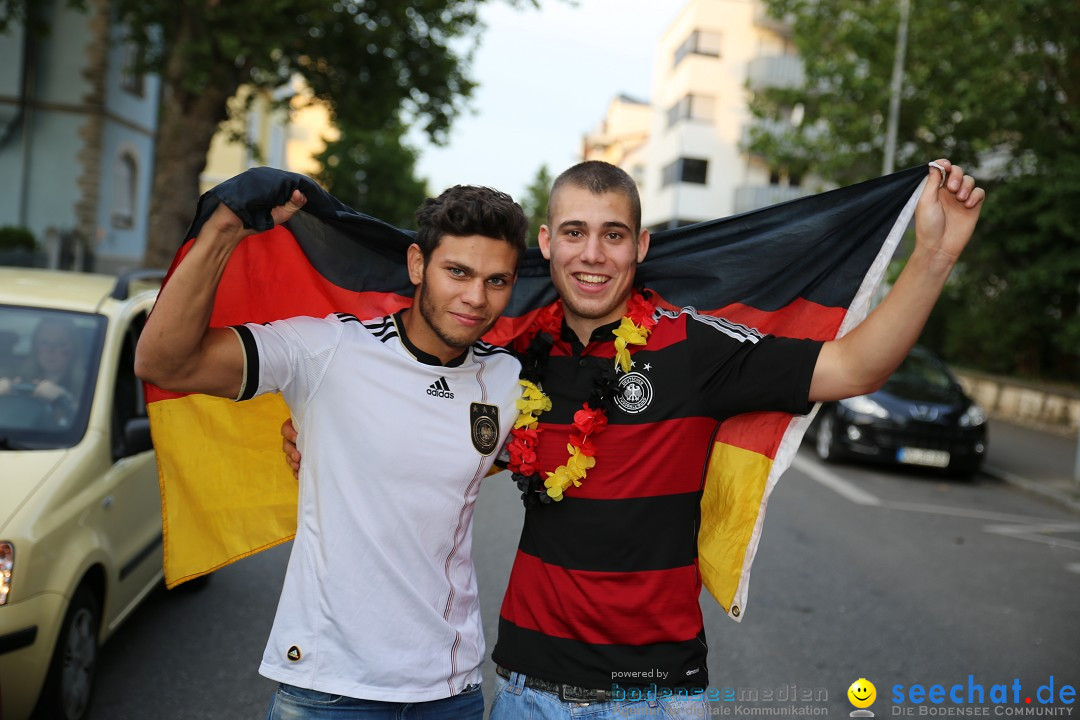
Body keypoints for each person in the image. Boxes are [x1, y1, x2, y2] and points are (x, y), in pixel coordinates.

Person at [282, 159, 983, 719]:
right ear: (548, 245)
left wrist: (935, 255)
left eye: (613, 234)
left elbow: (856, 365)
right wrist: (326, 431)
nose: (594, 254)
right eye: (576, 232)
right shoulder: (511, 362)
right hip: (527, 690)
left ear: (640, 247)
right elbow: (424, 421)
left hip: (654, 695)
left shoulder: (698, 348)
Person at [134, 182, 529, 720]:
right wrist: (221, 234)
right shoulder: (327, 349)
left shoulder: (508, 378)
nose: (476, 298)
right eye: (457, 271)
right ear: (417, 263)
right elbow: (164, 363)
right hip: (330, 691)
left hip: (450, 691)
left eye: (497, 281)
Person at [0, 316, 83, 425]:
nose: (51, 350)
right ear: (35, 347)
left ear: (74, 348)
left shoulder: (88, 387)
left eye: (60, 343)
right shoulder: (16, 378)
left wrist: (64, 398)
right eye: (44, 343)